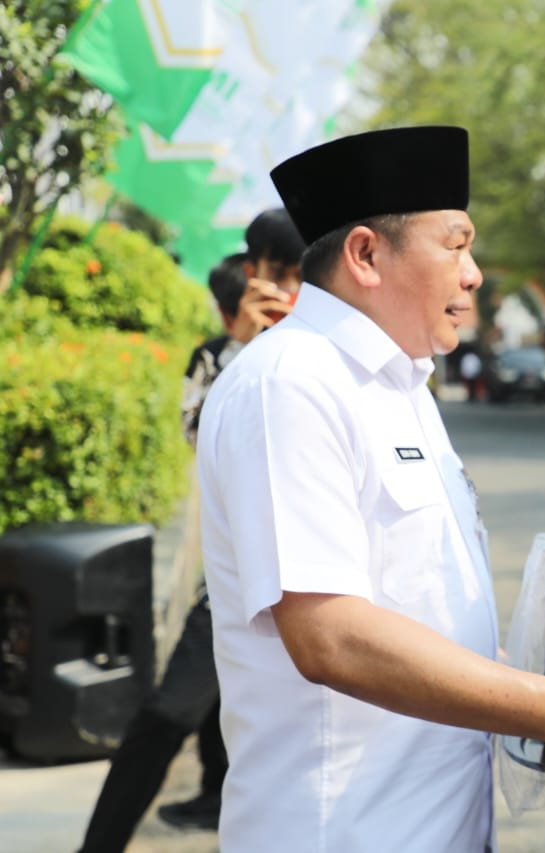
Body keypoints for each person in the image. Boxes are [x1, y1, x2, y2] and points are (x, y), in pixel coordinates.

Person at [197, 126, 545, 851]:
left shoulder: (402, 384)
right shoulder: (291, 382)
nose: (475, 274)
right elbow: (329, 634)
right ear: (366, 254)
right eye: (455, 244)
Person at [78, 214, 305, 853]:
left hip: (323, 585)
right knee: (168, 712)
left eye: (294, 275)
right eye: (274, 275)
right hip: (239, 579)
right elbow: (202, 441)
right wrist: (240, 345)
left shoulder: (331, 353)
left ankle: (215, 796)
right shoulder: (225, 354)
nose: (286, 292)